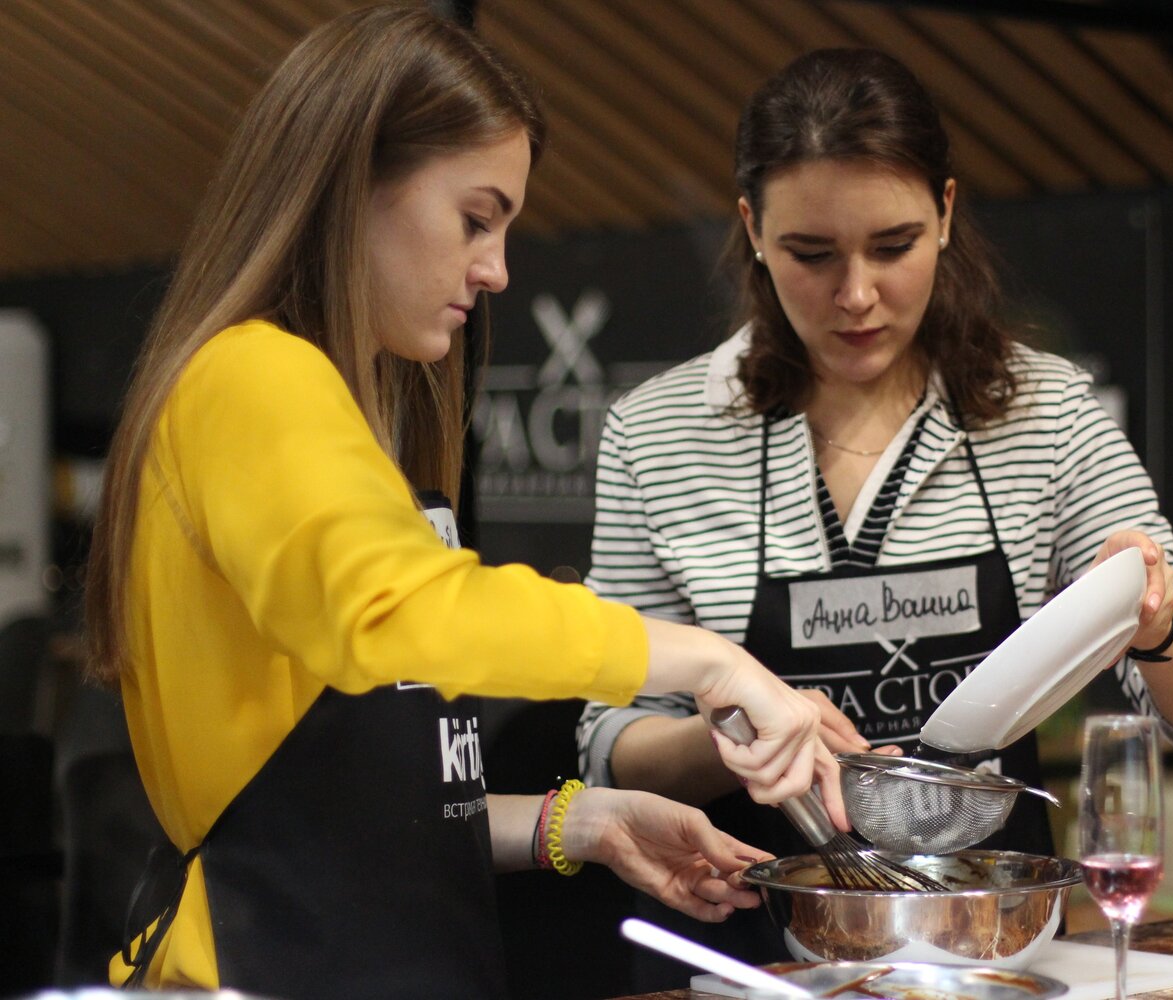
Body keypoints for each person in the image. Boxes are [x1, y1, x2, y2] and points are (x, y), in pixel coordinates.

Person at [80, 8, 842, 999]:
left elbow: (363, 805)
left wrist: (582, 821)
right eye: (476, 218)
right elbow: (392, 614)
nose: (496, 268)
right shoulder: (252, 376)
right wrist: (707, 661)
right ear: (353, 182)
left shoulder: (345, 411)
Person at [577, 47, 1173, 985]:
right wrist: (736, 737)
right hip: (758, 951)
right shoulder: (658, 433)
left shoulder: (1047, 414)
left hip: (996, 949)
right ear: (752, 230)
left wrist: (1158, 629)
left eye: (893, 246)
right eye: (812, 254)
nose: (856, 294)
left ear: (945, 212)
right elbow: (611, 746)